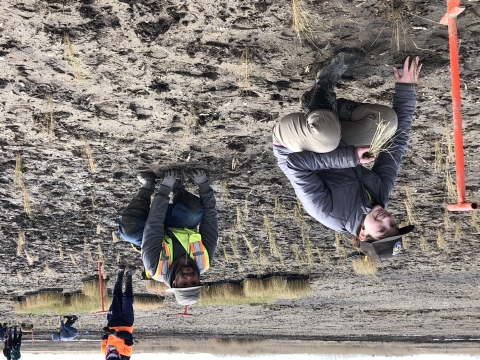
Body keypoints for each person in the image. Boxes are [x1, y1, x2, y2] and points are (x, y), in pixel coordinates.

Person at [272, 48, 422, 261]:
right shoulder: (380, 195)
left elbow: (295, 164)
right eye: (394, 225)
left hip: (291, 143)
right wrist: (407, 89)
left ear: (362, 234)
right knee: (387, 123)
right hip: (333, 141)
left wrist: (350, 158)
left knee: (327, 137)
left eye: (381, 230)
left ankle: (324, 82)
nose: (388, 220)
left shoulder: (329, 212)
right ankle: (324, 107)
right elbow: (397, 145)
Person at [136, 169, 218, 305]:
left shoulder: (154, 268)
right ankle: (178, 188)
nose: (189, 278)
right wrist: (204, 185)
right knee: (193, 212)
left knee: (128, 229)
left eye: (184, 284)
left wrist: (164, 187)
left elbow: (153, 224)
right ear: (199, 281)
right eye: (193, 282)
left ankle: (147, 187)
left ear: (174, 283)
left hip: (149, 231)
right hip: (180, 224)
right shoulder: (204, 261)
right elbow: (211, 221)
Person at [101, 267, 134, 360]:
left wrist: (106, 331)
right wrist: (116, 334)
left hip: (113, 321)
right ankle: (129, 276)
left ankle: (120, 274)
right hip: (127, 323)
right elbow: (129, 337)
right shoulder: (126, 354)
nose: (112, 355)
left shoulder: (104, 351)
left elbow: (104, 337)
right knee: (127, 299)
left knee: (116, 297)